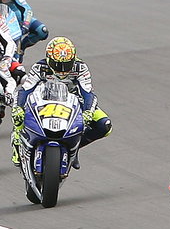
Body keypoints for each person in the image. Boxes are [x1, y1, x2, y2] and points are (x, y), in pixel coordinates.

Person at [12, 37, 110, 167]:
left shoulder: (81, 68)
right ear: (49, 59)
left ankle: (74, 148)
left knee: (105, 126)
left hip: (74, 103)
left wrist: (87, 112)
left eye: (67, 64)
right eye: (58, 65)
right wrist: (18, 107)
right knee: (19, 115)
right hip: (44, 102)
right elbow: (25, 90)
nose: (63, 70)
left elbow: (88, 94)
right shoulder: (39, 67)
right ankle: (18, 141)